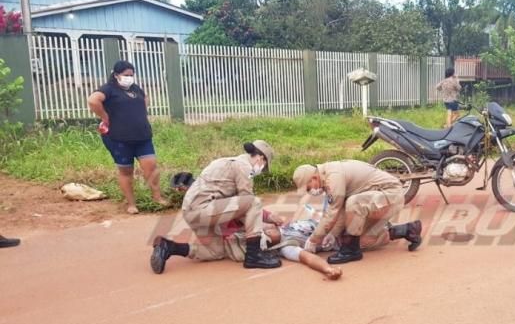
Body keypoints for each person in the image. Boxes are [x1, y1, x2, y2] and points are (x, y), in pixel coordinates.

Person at [149, 140, 282, 273]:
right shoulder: (244, 167)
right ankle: (254, 256)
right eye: (264, 166)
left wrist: (268, 216)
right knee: (254, 201)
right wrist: (261, 225)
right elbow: (248, 204)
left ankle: (168, 247)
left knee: (216, 251)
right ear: (260, 158)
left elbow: (237, 204)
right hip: (203, 209)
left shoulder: (226, 161)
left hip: (193, 210)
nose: (262, 170)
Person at [292, 160, 423, 264]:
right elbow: (341, 210)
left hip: (390, 196)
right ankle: (408, 230)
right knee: (364, 241)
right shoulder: (328, 174)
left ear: (314, 177)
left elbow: (332, 213)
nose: (310, 191)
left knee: (354, 203)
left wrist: (314, 239)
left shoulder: (333, 177)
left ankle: (351, 250)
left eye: (309, 187)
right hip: (379, 198)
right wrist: (333, 234)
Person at [88, 60, 167, 214]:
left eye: (131, 75)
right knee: (126, 171)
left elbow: (145, 101)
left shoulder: (135, 89)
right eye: (126, 75)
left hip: (142, 136)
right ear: (116, 75)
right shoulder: (109, 89)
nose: (129, 78)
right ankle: (131, 204)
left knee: (151, 167)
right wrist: (104, 116)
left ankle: (157, 198)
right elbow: (92, 100)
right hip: (119, 138)